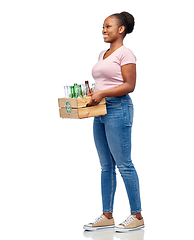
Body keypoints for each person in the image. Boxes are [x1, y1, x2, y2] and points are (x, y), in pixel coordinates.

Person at [83, 11, 144, 232]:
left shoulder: (126, 54)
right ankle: (107, 215)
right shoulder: (103, 53)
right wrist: (95, 93)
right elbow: (105, 82)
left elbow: (129, 85)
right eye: (102, 26)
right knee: (105, 166)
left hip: (119, 109)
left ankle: (136, 216)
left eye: (108, 26)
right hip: (100, 112)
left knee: (124, 165)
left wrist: (104, 93)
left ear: (121, 29)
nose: (104, 30)